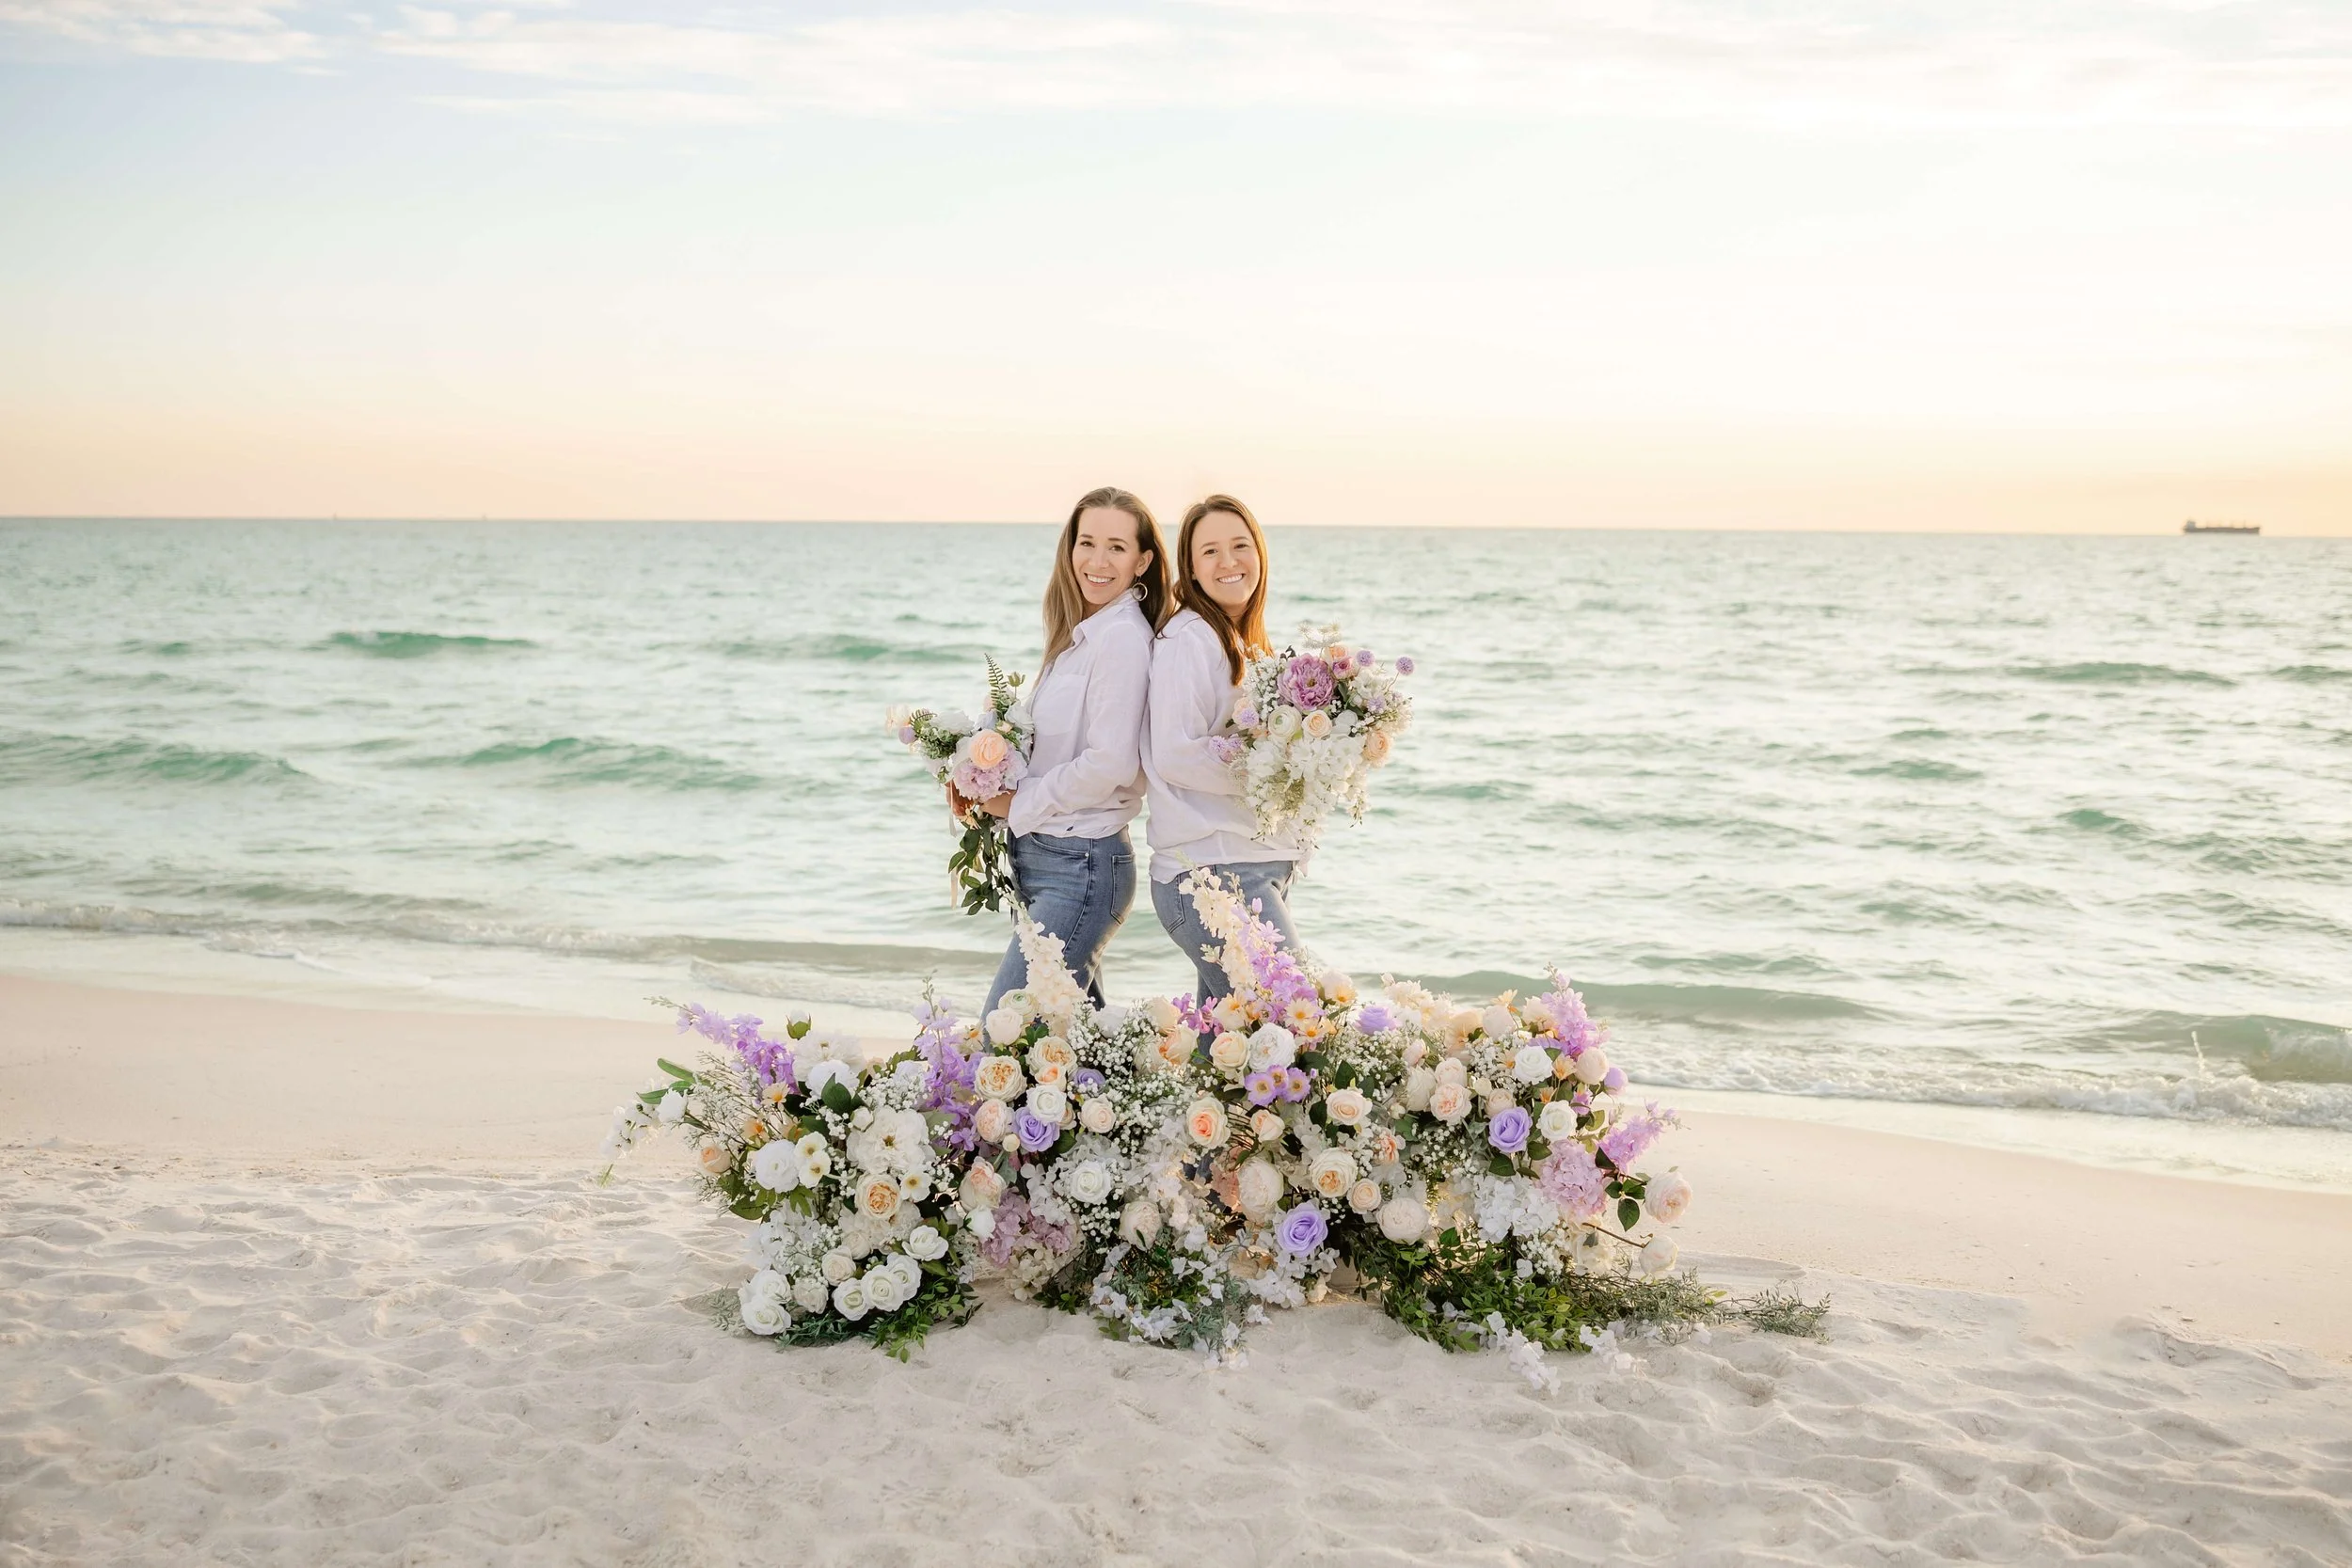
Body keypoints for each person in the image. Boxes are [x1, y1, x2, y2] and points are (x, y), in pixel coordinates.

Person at [968, 486, 1167, 1008]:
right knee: (1075, 1057)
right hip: (1047, 859)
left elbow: (1111, 762)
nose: (1097, 561)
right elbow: (1059, 747)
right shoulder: (1080, 635)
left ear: (1143, 561)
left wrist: (1018, 802)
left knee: (1006, 1029)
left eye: (1117, 548)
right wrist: (981, 770)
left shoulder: (1121, 638)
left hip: (1080, 867)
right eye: (1087, 543)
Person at [1143, 494, 1300, 1001]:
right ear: (1190, 567)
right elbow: (1174, 753)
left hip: (1244, 869)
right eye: (1209, 551)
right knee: (1301, 1025)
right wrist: (1276, 771)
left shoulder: (1237, 639)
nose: (1228, 562)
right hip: (1215, 876)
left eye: (1240, 545)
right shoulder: (1188, 638)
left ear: (1260, 552)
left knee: (1233, 1060)